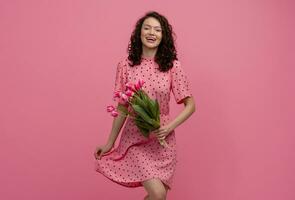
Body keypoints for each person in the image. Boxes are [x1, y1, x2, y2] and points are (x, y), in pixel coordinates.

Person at [94, 11, 196, 200]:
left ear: (163, 35)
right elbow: (123, 107)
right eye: (147, 28)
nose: (152, 33)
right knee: (157, 194)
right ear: (139, 33)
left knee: (159, 198)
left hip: (162, 140)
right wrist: (110, 142)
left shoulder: (173, 66)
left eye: (157, 30)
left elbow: (191, 105)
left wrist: (169, 127)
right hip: (135, 138)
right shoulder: (125, 65)